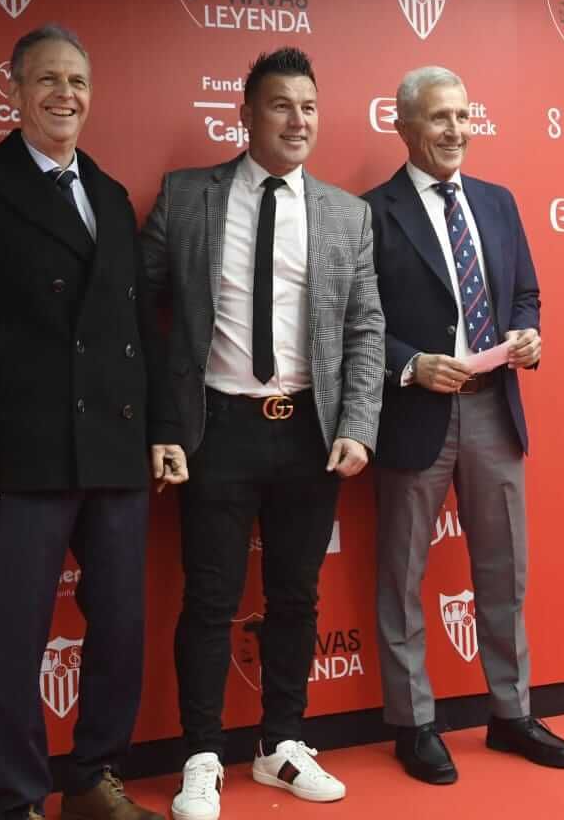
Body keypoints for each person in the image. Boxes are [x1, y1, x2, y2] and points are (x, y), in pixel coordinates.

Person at [0, 24, 175, 820]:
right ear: (13, 89)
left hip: (116, 450)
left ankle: (94, 778)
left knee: (122, 627)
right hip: (24, 452)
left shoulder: (110, 195)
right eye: (49, 80)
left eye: (78, 82)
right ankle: (19, 798)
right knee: (19, 636)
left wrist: (162, 429)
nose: (66, 95)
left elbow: (138, 330)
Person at [141, 46, 384, 820]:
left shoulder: (348, 214)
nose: (298, 120)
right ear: (245, 115)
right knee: (210, 598)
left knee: (296, 597)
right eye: (281, 105)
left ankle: (282, 742)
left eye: (309, 106)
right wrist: (160, 421)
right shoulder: (187, 197)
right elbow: (138, 313)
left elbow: (366, 328)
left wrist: (358, 424)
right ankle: (202, 756)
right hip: (216, 427)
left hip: (309, 431)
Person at [363, 66, 564, 785]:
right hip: (414, 412)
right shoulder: (371, 213)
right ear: (403, 127)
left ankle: (511, 713)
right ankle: (413, 723)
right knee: (401, 574)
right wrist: (410, 364)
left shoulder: (498, 201)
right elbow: (355, 320)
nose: (455, 130)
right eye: (438, 118)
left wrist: (528, 332)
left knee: (503, 568)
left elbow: (526, 292)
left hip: (494, 405)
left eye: (463, 116)